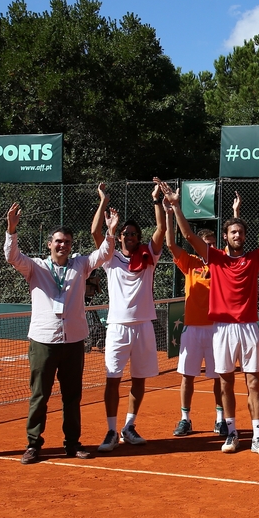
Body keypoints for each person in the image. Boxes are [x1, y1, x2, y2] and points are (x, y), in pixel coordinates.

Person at [162, 183, 259, 456]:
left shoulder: (253, 259)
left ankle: (258, 437)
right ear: (225, 236)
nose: (237, 235)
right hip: (222, 329)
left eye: (241, 232)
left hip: (248, 328)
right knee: (225, 383)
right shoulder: (214, 257)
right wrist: (176, 207)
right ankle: (232, 432)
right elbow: (187, 235)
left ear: (244, 236)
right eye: (233, 231)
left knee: (253, 382)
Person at [4, 193, 118, 465]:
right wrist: (11, 229)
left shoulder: (81, 265)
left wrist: (110, 232)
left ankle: (72, 443)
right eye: (58, 241)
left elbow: (104, 253)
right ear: (49, 244)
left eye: (66, 242)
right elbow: (12, 256)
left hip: (74, 340)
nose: (63, 245)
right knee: (39, 396)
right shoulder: (35, 267)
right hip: (43, 340)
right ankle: (33, 445)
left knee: (72, 397)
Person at [90, 181, 167, 452]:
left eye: (134, 233)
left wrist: (156, 200)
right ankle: (111, 431)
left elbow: (161, 229)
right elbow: (95, 232)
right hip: (117, 327)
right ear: (120, 236)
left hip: (144, 326)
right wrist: (103, 201)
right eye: (126, 233)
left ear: (138, 237)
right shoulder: (110, 257)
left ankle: (129, 426)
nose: (130, 236)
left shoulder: (149, 256)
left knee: (139, 379)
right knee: (112, 378)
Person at [169, 190, 242, 438]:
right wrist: (170, 214)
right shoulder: (189, 262)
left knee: (219, 377)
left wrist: (235, 213)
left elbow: (234, 242)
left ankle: (220, 419)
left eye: (212, 244)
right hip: (192, 329)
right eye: (206, 244)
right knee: (187, 377)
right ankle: (185, 418)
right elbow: (171, 243)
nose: (210, 248)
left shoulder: (221, 261)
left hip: (217, 329)